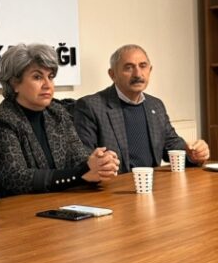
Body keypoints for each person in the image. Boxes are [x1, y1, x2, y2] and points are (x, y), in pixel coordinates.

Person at [0, 44, 119, 197]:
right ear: (15, 83)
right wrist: (81, 174)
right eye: (37, 77)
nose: (47, 85)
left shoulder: (58, 113)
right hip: (20, 208)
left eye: (50, 77)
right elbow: (15, 178)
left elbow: (79, 159)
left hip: (61, 201)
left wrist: (99, 164)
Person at [74, 44, 209, 172]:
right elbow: (83, 161)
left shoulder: (156, 105)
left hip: (151, 183)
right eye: (129, 68)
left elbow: (172, 147)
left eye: (143, 66)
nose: (138, 74)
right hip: (114, 186)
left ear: (150, 70)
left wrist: (194, 153)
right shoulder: (91, 107)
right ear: (112, 74)